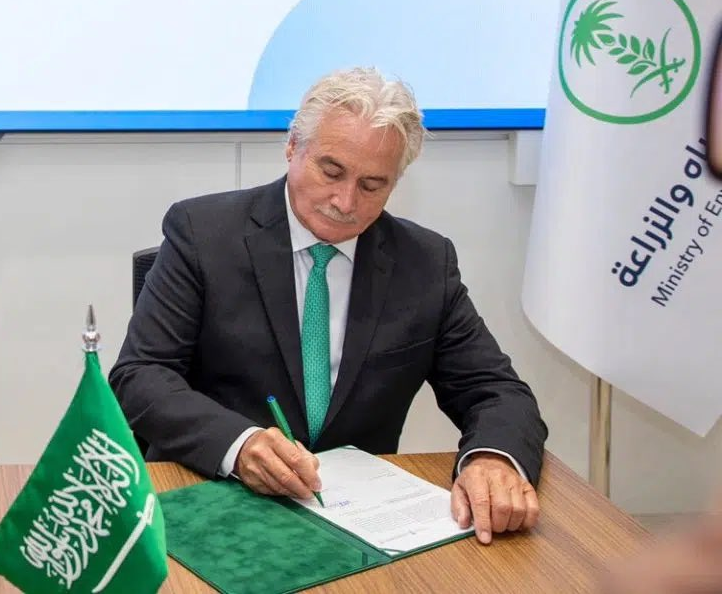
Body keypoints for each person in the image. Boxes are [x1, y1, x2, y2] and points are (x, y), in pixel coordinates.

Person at [110, 67, 546, 544]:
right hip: (211, 501)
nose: (345, 201)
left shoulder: (424, 262)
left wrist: (492, 458)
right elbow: (141, 375)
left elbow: (495, 390)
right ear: (292, 146)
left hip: (356, 526)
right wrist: (240, 444)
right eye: (331, 171)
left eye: (372, 185)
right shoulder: (203, 233)